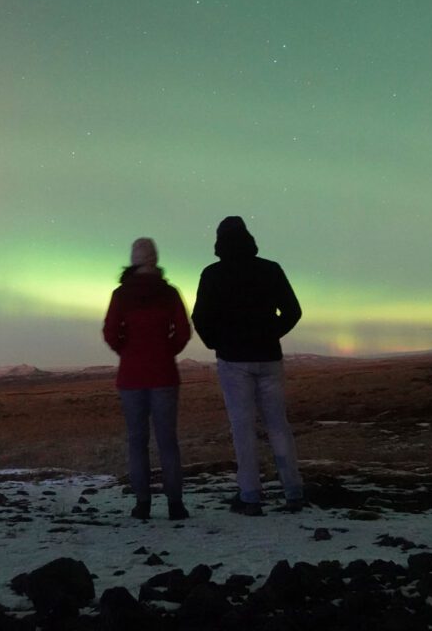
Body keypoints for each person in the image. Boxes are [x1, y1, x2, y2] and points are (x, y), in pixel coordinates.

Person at [192, 216, 303, 515]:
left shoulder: (212, 274)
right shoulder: (270, 269)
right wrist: (271, 333)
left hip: (233, 360)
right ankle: (292, 490)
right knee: (278, 425)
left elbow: (200, 317)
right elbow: (293, 311)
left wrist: (218, 343)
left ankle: (250, 495)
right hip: (269, 357)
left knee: (243, 428)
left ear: (219, 242)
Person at [103, 237, 192, 521]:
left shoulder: (121, 294)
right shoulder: (169, 293)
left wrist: (126, 351)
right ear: (155, 259)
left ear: (133, 260)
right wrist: (167, 351)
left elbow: (109, 332)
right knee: (167, 442)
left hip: (131, 377)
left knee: (137, 442)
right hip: (164, 374)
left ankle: (142, 504)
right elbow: (182, 331)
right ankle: (175, 505)